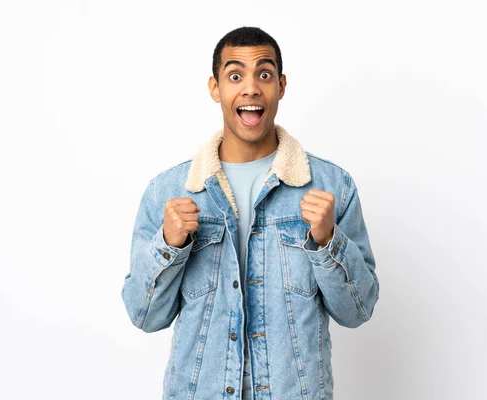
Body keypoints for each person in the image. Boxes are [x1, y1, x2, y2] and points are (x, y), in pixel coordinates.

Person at [121, 26, 380, 399]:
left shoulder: (331, 186)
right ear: (215, 88)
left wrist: (328, 242)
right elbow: (144, 316)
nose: (251, 88)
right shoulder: (170, 191)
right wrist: (168, 244)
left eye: (264, 74)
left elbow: (358, 310)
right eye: (235, 75)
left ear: (281, 85)